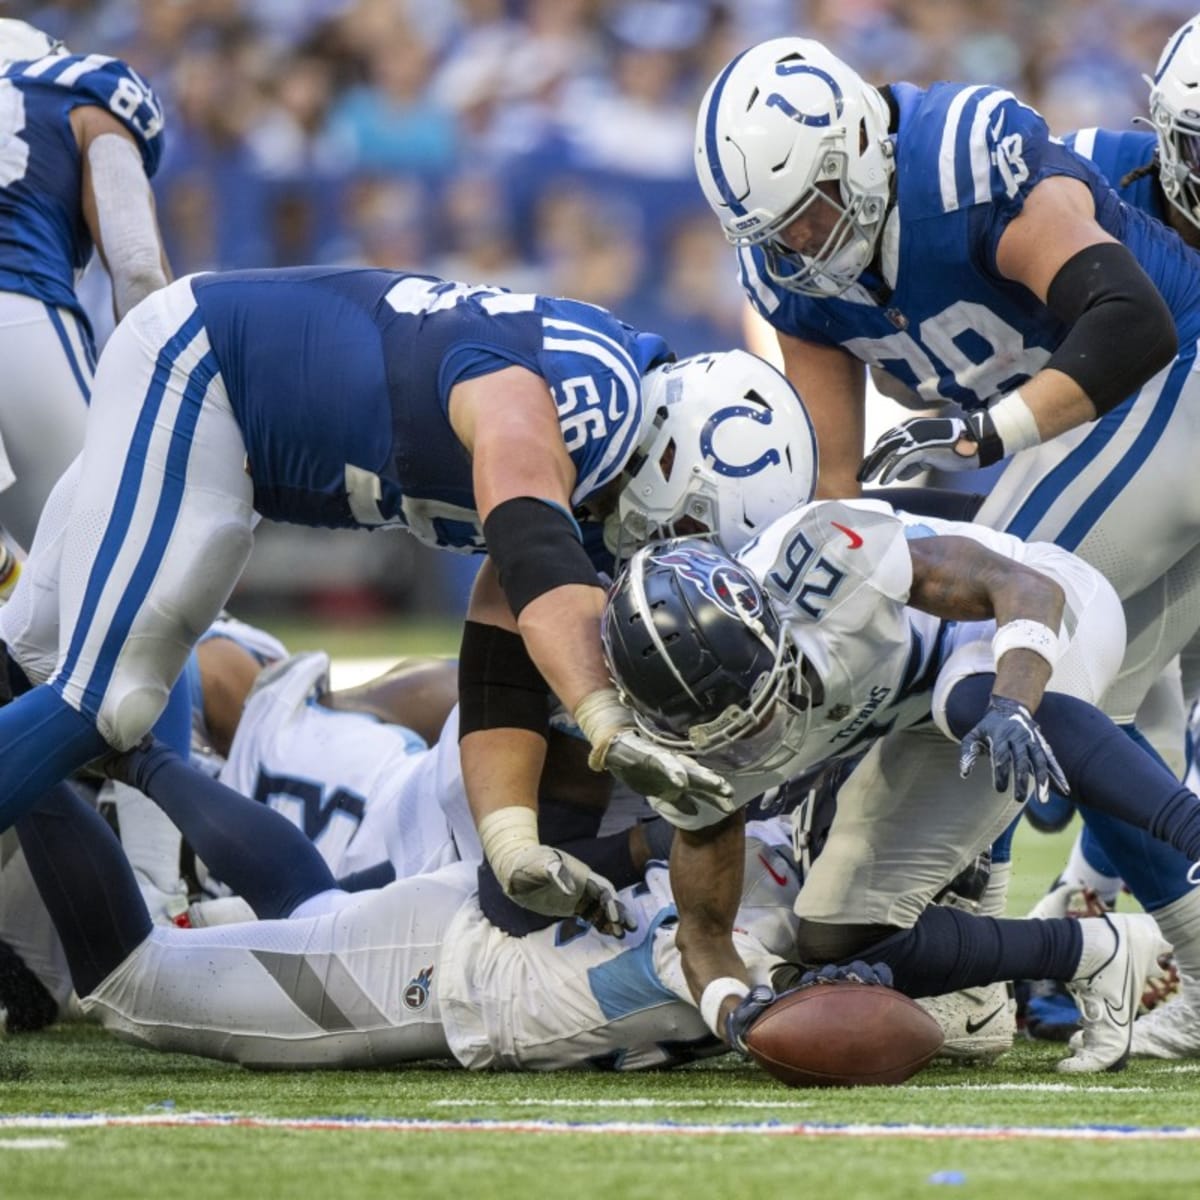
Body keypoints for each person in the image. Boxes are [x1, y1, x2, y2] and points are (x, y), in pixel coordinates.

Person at [0, 278, 817, 937]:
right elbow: (531, 543)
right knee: (109, 696)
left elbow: (498, 654)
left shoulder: (604, 471)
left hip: (221, 407)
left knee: (29, 651)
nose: (667, 554)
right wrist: (603, 717)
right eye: (683, 530)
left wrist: (510, 841)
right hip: (207, 379)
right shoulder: (592, 395)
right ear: (678, 456)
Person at [693, 37, 1200, 750]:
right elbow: (832, 493)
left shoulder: (962, 167)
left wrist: (984, 434)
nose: (802, 242)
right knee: (1099, 706)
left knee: (1007, 652)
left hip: (1166, 373)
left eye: (812, 208)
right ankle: (1115, 864)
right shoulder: (786, 275)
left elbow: (1133, 324)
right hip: (1102, 415)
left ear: (861, 145)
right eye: (776, 233)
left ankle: (998, 860)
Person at [601, 498, 1200, 1072]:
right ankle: (1100, 950)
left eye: (758, 706)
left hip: (1032, 621)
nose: (759, 737)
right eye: (729, 734)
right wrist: (734, 1015)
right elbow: (702, 937)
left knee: (967, 698)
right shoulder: (680, 757)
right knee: (840, 937)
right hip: (924, 719)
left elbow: (1025, 587)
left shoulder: (825, 561)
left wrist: (1013, 702)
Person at [13, 764, 801, 1072]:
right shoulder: (755, 925)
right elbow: (515, 896)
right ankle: (37, 729)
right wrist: (647, 842)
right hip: (447, 966)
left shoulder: (780, 888)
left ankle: (133, 751)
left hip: (459, 926)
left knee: (317, 908)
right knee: (126, 985)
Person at [0, 20, 171, 560]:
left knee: (27, 580)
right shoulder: (79, 92)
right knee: (108, 563)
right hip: (19, 310)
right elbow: (138, 268)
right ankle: (248, 648)